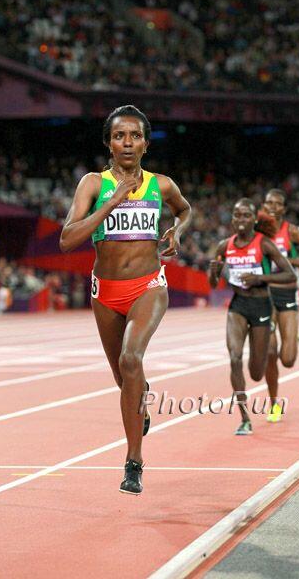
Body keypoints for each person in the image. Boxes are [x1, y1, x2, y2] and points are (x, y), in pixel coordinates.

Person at [60, 105, 191, 494]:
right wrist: (111, 202)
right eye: (120, 136)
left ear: (146, 144)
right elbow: (67, 240)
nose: (128, 142)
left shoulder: (161, 185)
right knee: (124, 379)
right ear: (109, 143)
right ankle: (140, 397)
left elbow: (185, 210)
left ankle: (133, 463)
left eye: (135, 135)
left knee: (131, 359)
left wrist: (177, 230)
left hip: (148, 286)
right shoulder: (93, 184)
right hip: (105, 293)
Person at [210, 198, 296, 435]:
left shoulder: (264, 244)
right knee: (234, 357)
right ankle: (245, 419)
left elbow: (289, 274)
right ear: (232, 218)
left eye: (246, 215)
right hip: (238, 306)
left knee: (256, 372)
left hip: (261, 306)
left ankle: (260, 372)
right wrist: (214, 273)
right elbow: (212, 284)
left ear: (254, 220)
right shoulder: (224, 246)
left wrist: (260, 278)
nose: (241, 219)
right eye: (237, 215)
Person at [262, 188, 299, 422]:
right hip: (265, 295)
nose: (272, 207)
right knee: (269, 352)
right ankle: (274, 404)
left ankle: (293, 338)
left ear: (284, 209)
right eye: (269, 203)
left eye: (277, 203)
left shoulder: (292, 232)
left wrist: (287, 260)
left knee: (287, 359)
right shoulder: (256, 232)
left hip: (287, 293)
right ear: (264, 206)